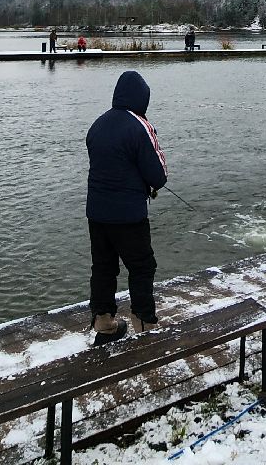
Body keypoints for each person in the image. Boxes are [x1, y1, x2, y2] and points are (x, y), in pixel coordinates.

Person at [86, 71, 168, 345]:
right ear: (142, 98)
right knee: (142, 266)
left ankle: (104, 322)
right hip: (129, 216)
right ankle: (144, 323)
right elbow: (158, 176)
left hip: (96, 214)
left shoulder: (97, 124)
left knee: (103, 267)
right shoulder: (140, 125)